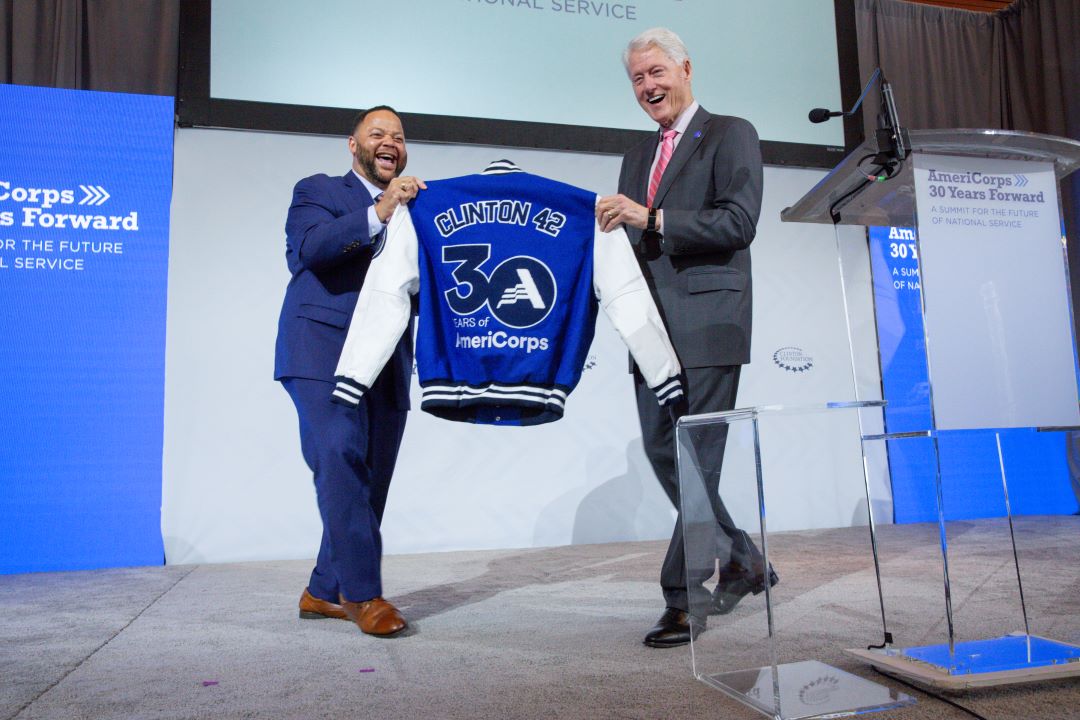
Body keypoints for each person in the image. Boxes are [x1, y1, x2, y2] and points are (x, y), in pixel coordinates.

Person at [596, 28, 774, 648]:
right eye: (637, 80)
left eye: (655, 73)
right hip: (649, 328)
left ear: (685, 68)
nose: (648, 87)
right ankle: (745, 558)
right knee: (661, 449)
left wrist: (655, 217)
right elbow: (629, 240)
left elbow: (738, 221)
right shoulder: (636, 156)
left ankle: (684, 597)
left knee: (697, 459)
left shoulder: (732, 133)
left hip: (709, 322)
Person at [274, 105, 425, 637]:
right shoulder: (318, 189)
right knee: (339, 454)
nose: (390, 142)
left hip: (387, 361)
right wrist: (381, 209)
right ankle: (362, 595)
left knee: (370, 477)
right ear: (353, 145)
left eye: (399, 137)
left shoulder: (420, 210)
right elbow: (311, 249)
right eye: (378, 134)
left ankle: (322, 590)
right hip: (321, 349)